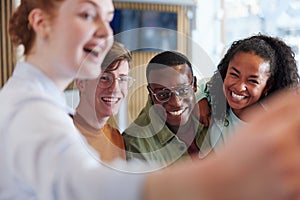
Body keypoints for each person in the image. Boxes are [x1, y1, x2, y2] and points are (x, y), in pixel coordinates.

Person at [1, 0, 300, 199]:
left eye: (108, 18)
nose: (106, 32)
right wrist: (230, 174)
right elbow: (85, 185)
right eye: (86, 15)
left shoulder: (39, 101)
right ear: (40, 23)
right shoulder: (30, 111)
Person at [197, 34, 300, 154]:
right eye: (234, 75)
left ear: (267, 86)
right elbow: (197, 86)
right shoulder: (214, 94)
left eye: (252, 81)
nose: (240, 87)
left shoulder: (272, 128)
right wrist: (201, 98)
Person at [122, 51, 207, 167]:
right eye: (163, 94)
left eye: (183, 90)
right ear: (151, 93)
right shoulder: (136, 143)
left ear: (195, 85)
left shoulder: (212, 113)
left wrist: (204, 96)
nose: (176, 102)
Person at [73, 41, 133, 163]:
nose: (115, 88)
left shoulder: (117, 139)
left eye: (122, 79)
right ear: (81, 82)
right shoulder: (61, 132)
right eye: (105, 78)